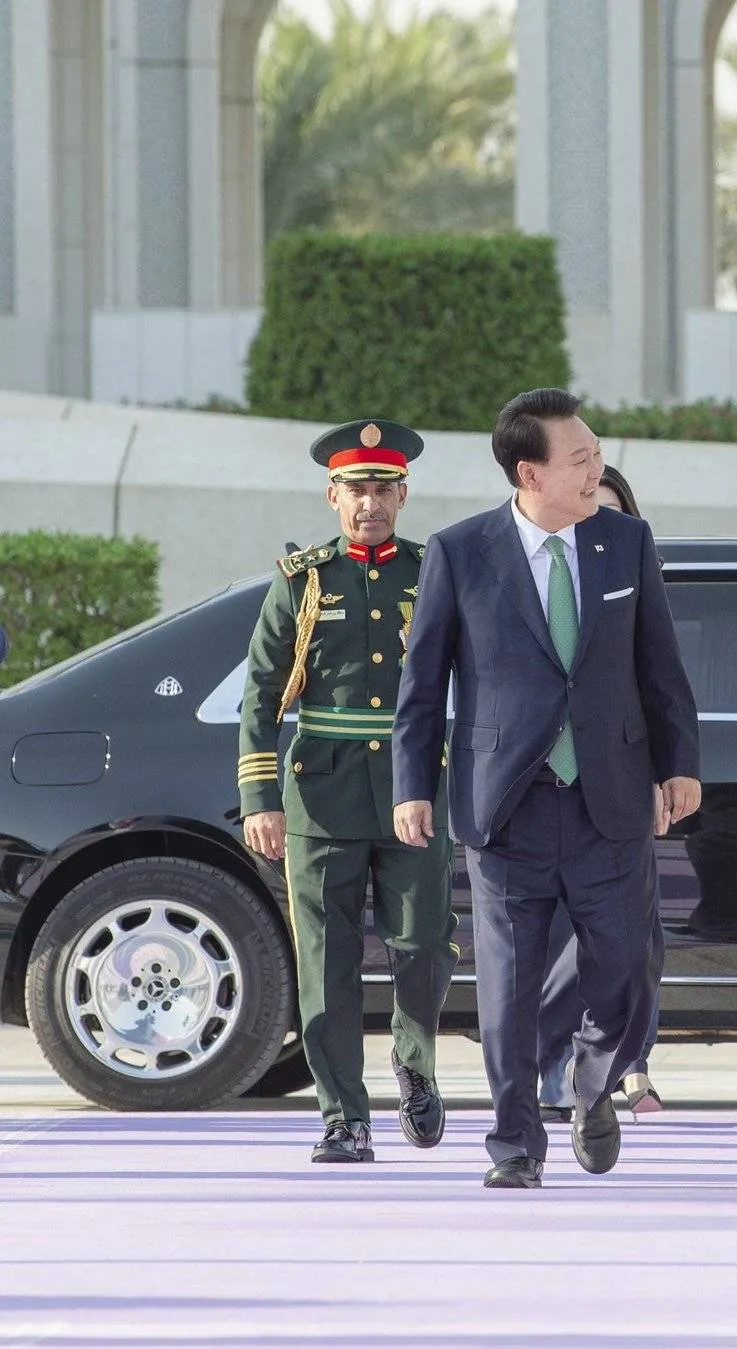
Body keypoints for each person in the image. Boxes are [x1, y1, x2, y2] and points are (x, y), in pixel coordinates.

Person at [391, 388, 701, 1190]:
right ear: (530, 472)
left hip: (612, 799)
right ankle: (514, 1144)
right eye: (580, 457)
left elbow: (659, 667)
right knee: (510, 987)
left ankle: (595, 1087)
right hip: (505, 804)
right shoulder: (460, 552)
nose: (596, 465)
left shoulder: (625, 543)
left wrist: (680, 764)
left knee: (627, 970)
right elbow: (421, 685)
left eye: (594, 452)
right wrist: (411, 784)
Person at [238, 419, 456, 1164]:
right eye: (356, 489)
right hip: (321, 794)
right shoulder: (302, 578)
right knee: (325, 960)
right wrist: (260, 798)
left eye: (382, 488)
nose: (370, 502)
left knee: (423, 943)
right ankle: (343, 1116)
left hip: (414, 788)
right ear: (333, 496)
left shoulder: (433, 574)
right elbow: (262, 694)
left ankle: (415, 1061)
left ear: (403, 493)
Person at [536, 463, 669, 1122]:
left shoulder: (635, 582)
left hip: (621, 784)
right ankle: (560, 1066)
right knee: (563, 943)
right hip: (541, 788)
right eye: (589, 504)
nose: (600, 522)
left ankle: (623, 1062)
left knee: (630, 942)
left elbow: (659, 684)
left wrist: (663, 772)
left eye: (614, 511)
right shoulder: (536, 576)